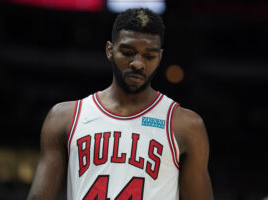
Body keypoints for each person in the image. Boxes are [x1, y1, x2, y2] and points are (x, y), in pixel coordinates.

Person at [27, 8, 213, 200]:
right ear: (110, 50)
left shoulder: (186, 125)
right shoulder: (64, 117)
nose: (138, 63)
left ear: (160, 57)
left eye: (149, 56)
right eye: (128, 52)